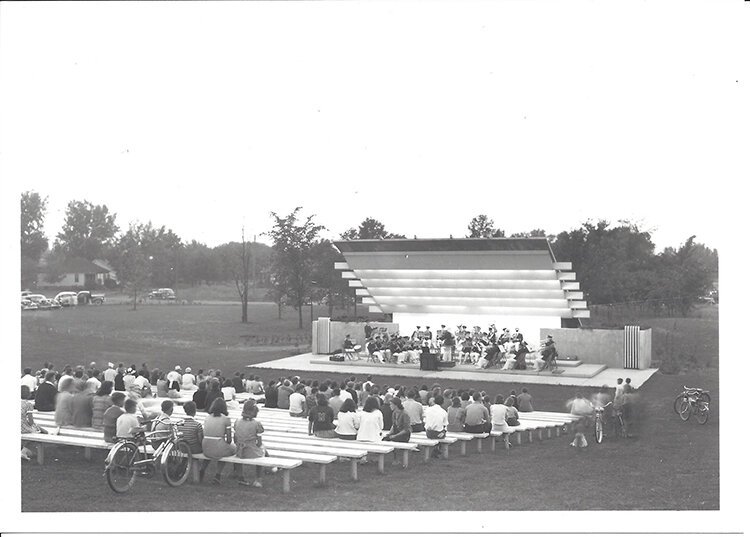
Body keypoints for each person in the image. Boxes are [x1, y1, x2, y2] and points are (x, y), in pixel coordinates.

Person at [201, 398, 237, 484]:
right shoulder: (226, 419)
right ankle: (218, 474)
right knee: (232, 449)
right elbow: (229, 440)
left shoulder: (207, 418)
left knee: (214, 447)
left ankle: (202, 469)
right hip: (218, 447)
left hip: (205, 446)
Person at [233, 401, 268, 488]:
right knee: (263, 450)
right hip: (251, 451)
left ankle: (240, 477)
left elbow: (235, 439)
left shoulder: (237, 421)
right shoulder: (257, 424)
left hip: (239, 451)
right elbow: (259, 443)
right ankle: (258, 479)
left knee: (238, 453)